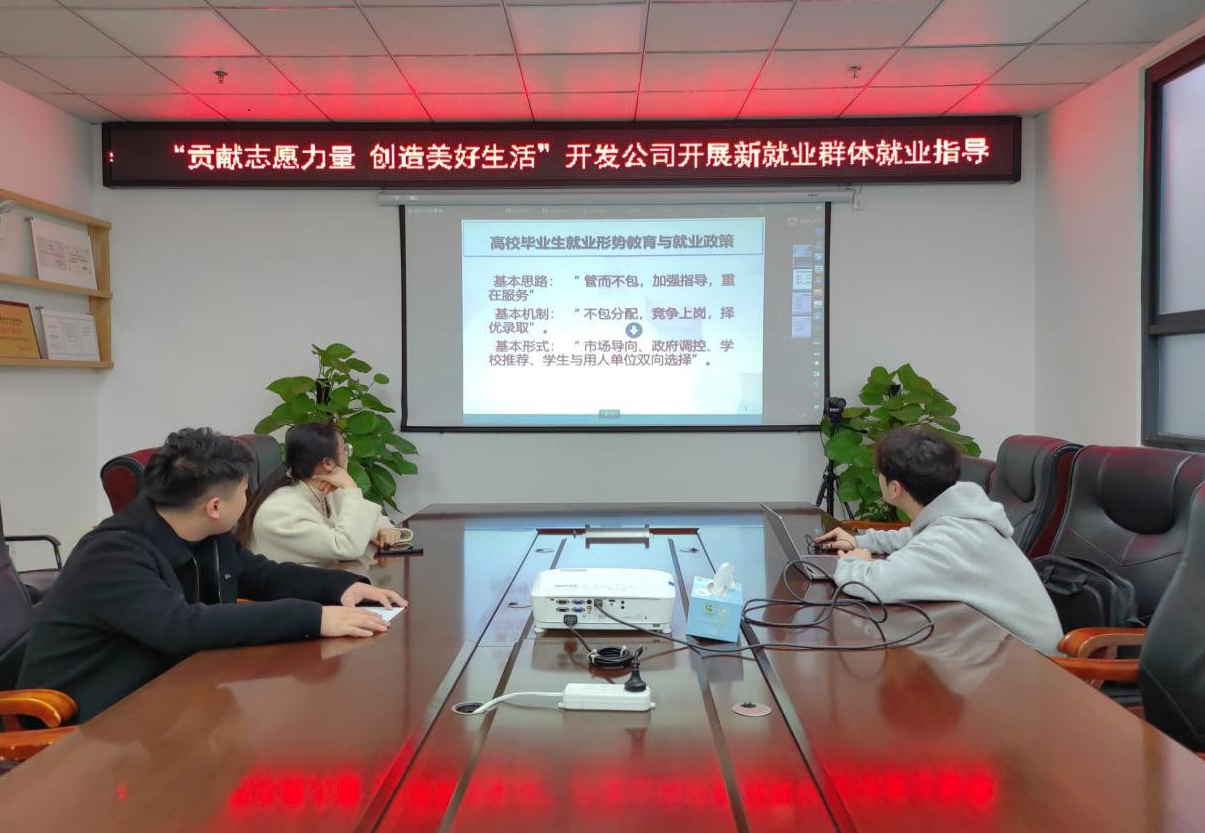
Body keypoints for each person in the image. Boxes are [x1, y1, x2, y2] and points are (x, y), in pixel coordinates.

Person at [18, 427, 407, 723]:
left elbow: (261, 575)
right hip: (86, 722)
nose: (250, 500)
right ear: (215, 507)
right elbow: (180, 626)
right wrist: (313, 618)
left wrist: (343, 587)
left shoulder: (205, 533)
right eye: (245, 491)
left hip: (166, 701)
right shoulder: (112, 554)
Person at [814, 427, 1063, 655]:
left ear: (895, 488)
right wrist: (860, 542)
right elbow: (913, 537)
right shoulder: (959, 515)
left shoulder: (949, 538)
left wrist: (855, 562)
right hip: (995, 648)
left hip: (1035, 668)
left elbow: (878, 584)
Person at [237, 422, 408, 570]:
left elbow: (374, 520)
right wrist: (351, 487)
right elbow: (347, 547)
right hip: (289, 595)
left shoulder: (327, 491)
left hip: (324, 585)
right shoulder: (279, 511)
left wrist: (385, 530)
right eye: (345, 450)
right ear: (327, 463)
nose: (348, 455)